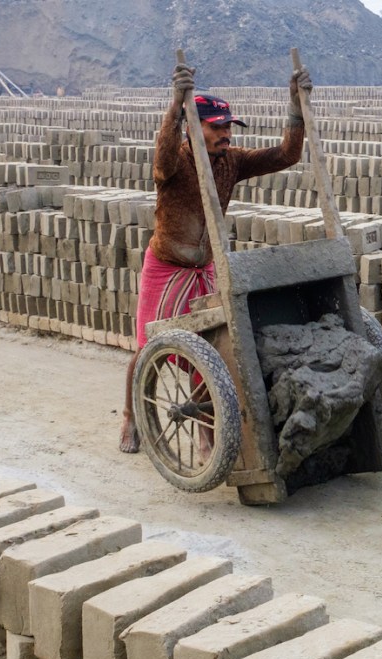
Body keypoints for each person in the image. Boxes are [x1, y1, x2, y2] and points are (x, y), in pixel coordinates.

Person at [119, 61, 313, 453]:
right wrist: (175, 106)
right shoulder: (177, 163)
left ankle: (207, 430)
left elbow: (286, 155)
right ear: (195, 127)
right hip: (167, 266)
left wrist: (295, 106)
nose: (225, 135)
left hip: (206, 267)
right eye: (217, 128)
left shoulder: (232, 162)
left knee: (209, 349)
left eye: (228, 128)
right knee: (146, 347)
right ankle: (129, 416)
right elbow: (160, 163)